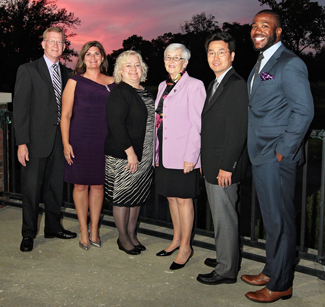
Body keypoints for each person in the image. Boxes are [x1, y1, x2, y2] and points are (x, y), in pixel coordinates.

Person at [241, 10, 314, 303]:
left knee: (280, 222)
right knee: (272, 220)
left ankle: (281, 284)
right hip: (261, 154)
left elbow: (304, 111)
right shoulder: (261, 61)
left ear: (278, 32)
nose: (258, 30)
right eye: (255, 25)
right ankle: (272, 270)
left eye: (265, 25)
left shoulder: (290, 63)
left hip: (276, 156)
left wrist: (284, 150)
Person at [13, 27, 77, 252]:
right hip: (35, 142)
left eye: (60, 42)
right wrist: (22, 142)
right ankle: (28, 233)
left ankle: (53, 227)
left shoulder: (67, 74)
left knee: (54, 188)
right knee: (31, 190)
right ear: (43, 44)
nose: (55, 45)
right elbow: (20, 110)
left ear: (63, 46)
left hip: (59, 141)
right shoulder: (28, 70)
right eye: (51, 41)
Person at [196, 32, 249, 285]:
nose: (215, 57)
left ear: (232, 56)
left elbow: (238, 131)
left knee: (225, 217)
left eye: (221, 52)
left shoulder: (236, 84)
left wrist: (227, 167)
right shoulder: (215, 83)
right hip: (212, 164)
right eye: (211, 52)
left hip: (224, 167)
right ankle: (225, 256)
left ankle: (226, 270)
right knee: (221, 215)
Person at [154, 43, 206, 270]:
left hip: (184, 154)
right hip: (165, 154)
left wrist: (192, 156)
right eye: (168, 57)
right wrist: (156, 153)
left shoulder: (195, 86)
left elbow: (198, 124)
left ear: (185, 62)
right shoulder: (162, 86)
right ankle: (175, 239)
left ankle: (186, 246)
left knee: (184, 200)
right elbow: (159, 121)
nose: (171, 61)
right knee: (171, 198)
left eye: (177, 58)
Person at [60, 41, 115, 250]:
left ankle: (95, 228)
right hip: (79, 139)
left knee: (99, 185)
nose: (93, 58)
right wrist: (66, 143)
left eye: (97, 54)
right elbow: (65, 115)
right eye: (89, 54)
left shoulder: (113, 82)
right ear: (83, 58)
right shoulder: (75, 81)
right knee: (80, 185)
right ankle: (83, 229)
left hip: (103, 140)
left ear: (103, 57)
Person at [104, 50, 155, 255]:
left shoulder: (144, 91)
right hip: (124, 156)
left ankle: (132, 234)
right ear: (120, 71)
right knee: (122, 198)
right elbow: (116, 125)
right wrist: (130, 153)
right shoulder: (119, 92)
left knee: (137, 197)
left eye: (137, 65)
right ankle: (123, 237)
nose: (134, 69)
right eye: (128, 65)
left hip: (145, 154)